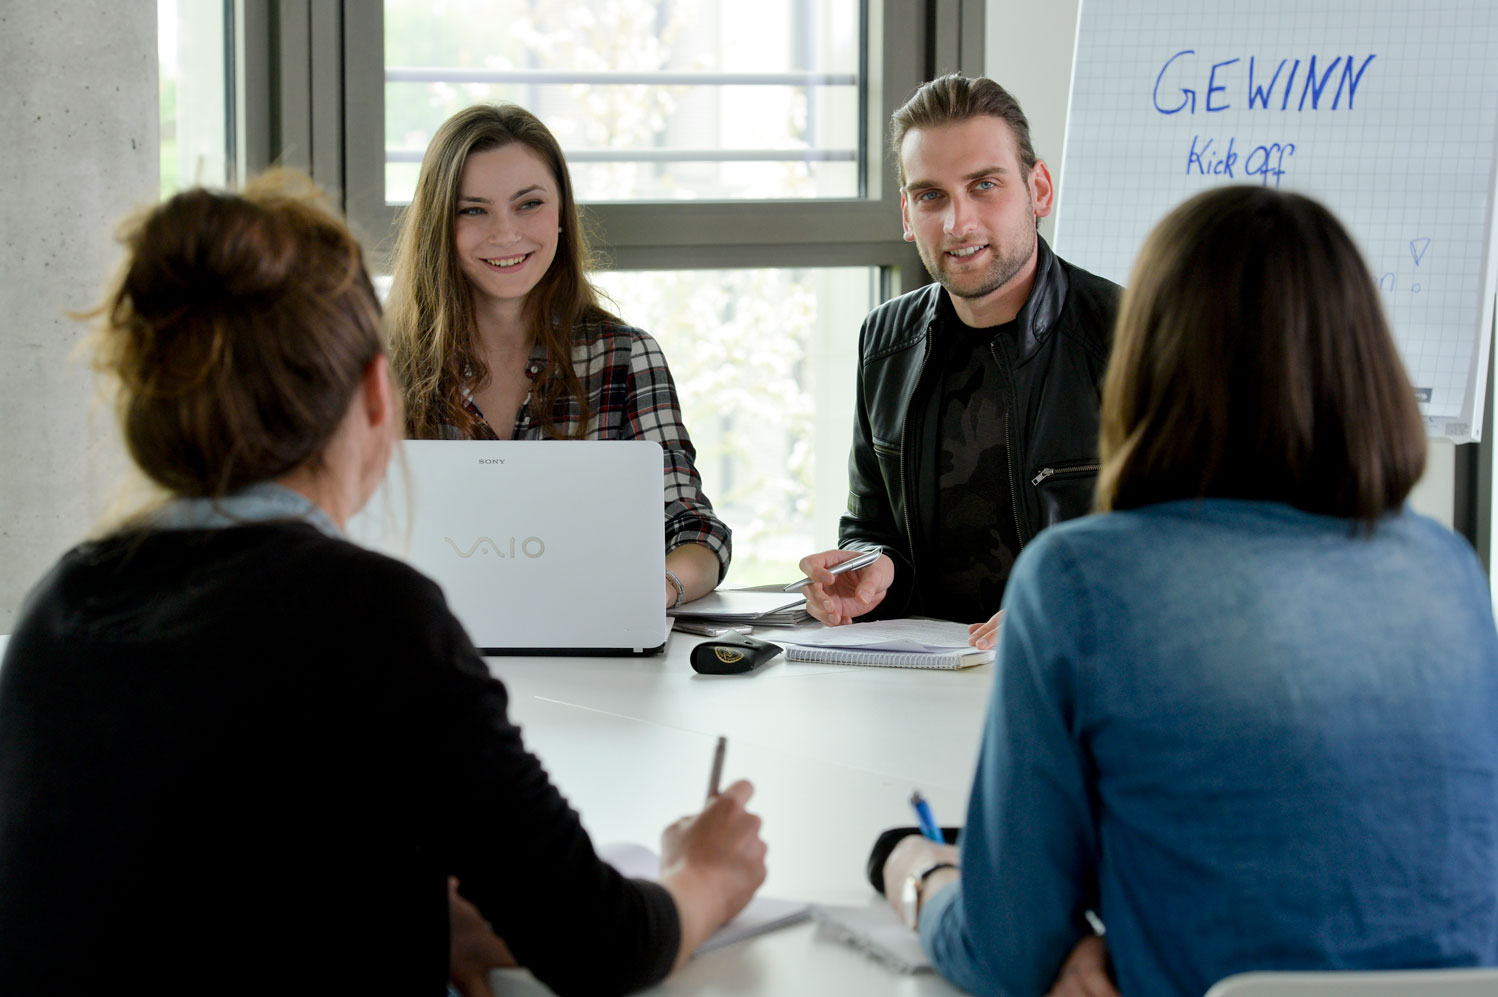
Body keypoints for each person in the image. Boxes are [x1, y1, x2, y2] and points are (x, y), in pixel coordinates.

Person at [0, 172, 766, 995]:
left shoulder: (59, 604)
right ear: (375, 396)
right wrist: (703, 876)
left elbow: (197, 871)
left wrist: (420, 916)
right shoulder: (373, 616)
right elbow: (602, 943)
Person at [882, 186, 1498, 996]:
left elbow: (1007, 951)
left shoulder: (1082, 580)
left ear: (1149, 356)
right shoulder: (1447, 568)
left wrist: (914, 869)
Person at [797, 74, 1121, 646]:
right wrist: (869, 570)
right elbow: (869, 527)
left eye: (984, 186)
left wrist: (1062, 608)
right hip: (931, 676)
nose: (957, 223)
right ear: (906, 213)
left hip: (1086, 673)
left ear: (1039, 189)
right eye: (931, 196)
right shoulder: (886, 340)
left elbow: (1191, 543)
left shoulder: (1129, 333)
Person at [386, 103, 728, 609]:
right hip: (424, 655)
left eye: (529, 204)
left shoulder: (624, 357)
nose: (505, 233)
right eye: (472, 210)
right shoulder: (382, 365)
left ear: (562, 214)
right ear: (440, 224)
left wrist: (659, 590)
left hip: (592, 661)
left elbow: (693, 529)